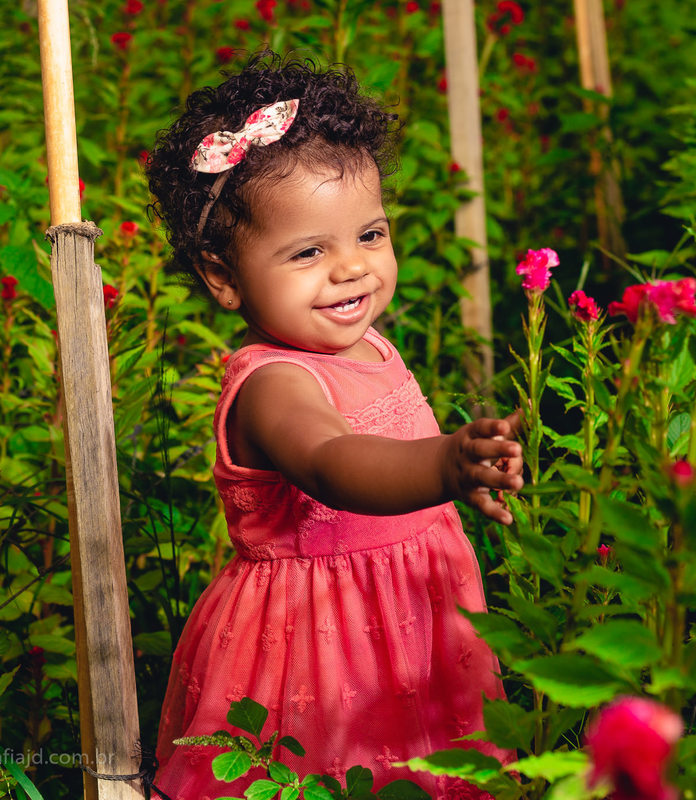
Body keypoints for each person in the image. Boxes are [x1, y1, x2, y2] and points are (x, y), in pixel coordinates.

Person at [145, 53, 521, 800]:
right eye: (310, 252)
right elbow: (332, 462)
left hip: (413, 619)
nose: (352, 269)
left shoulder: (365, 343)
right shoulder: (274, 384)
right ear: (223, 276)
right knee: (333, 777)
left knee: (432, 767)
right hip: (318, 653)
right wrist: (444, 466)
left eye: (370, 236)